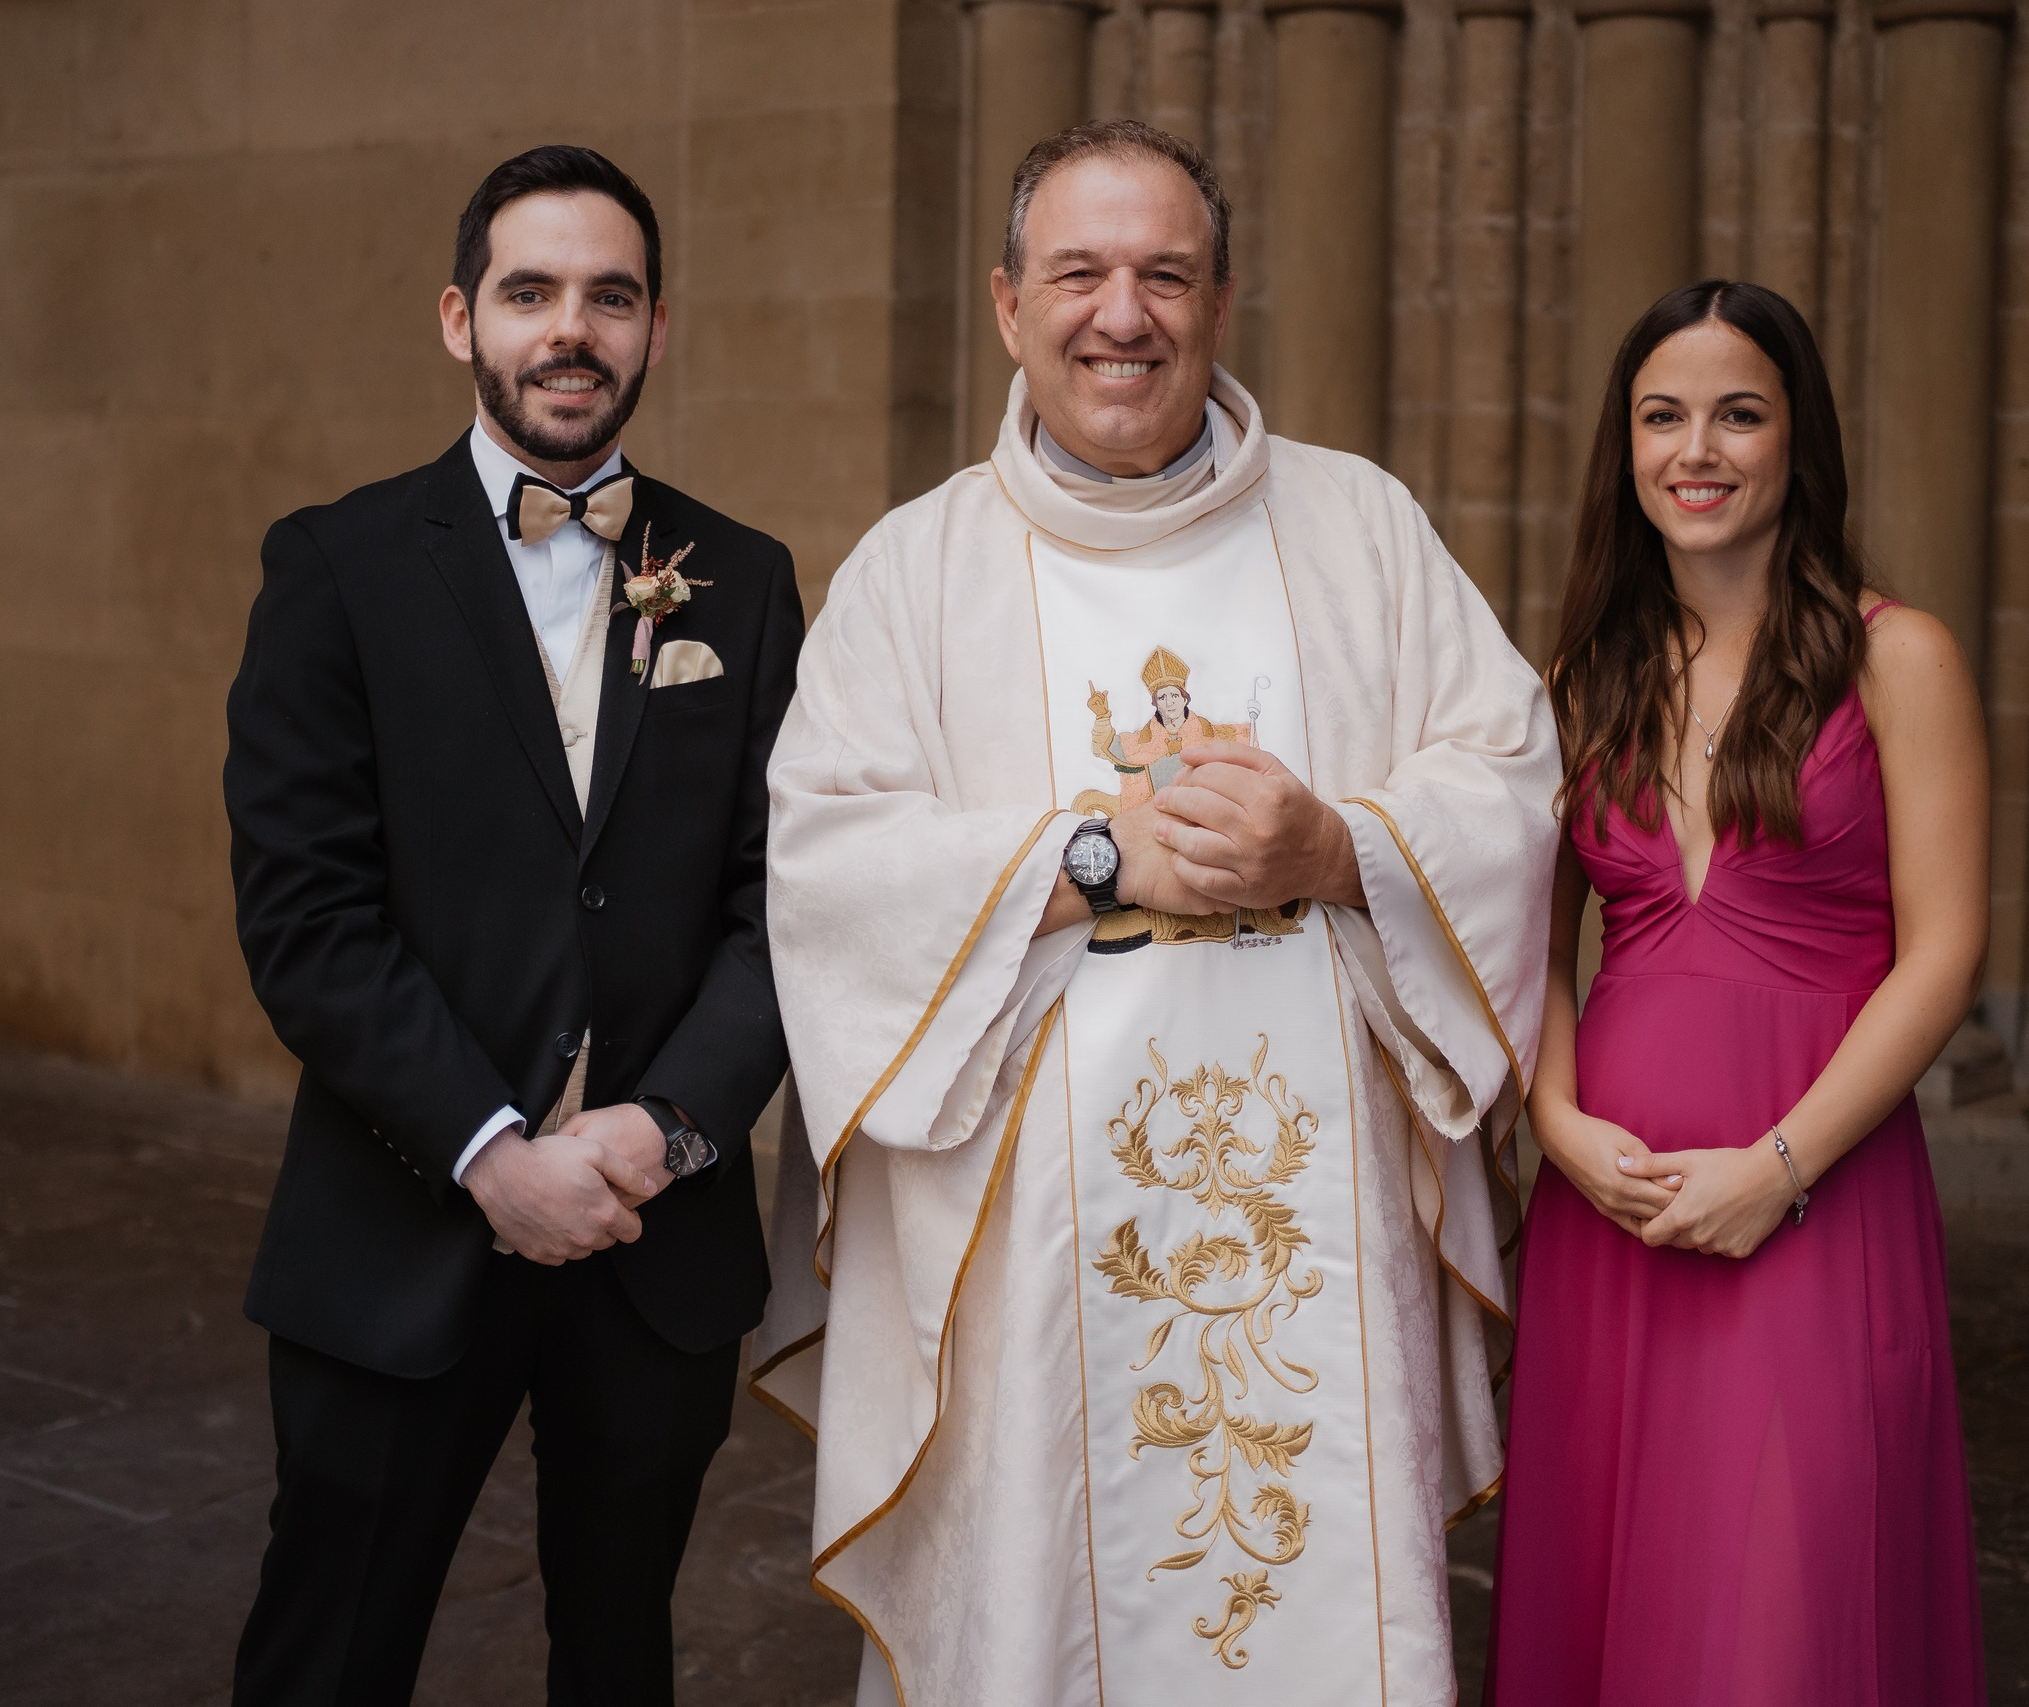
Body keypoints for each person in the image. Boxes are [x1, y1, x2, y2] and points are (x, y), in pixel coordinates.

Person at [755, 120, 1561, 1706]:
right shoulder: (915, 572)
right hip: (1030, 1258)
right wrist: (1096, 859)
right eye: (1079, 272)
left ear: (1221, 296)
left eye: (1164, 274)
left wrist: (1335, 847)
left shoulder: (1362, 529)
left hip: (1320, 1240)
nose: (1121, 314)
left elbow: (1511, 784)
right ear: (1007, 305)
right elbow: (829, 862)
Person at [221, 144, 800, 1705]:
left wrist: (662, 1133)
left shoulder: (740, 585)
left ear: (657, 328)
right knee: (329, 1652)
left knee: (620, 1656)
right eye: (530, 292)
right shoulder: (335, 567)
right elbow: (307, 918)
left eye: (609, 297)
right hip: (406, 1214)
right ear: (458, 317)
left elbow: (781, 905)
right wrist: (492, 1151)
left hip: (648, 1235)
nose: (571, 330)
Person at [1488, 280, 1990, 1704]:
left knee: (1793, 1596)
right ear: (1626, 449)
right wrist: (1558, 1123)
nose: (1695, 448)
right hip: (1613, 1211)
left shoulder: (1901, 657)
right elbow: (1527, 948)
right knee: (1622, 1596)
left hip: (1817, 1200)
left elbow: (1944, 953)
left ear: (1796, 442)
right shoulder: (1579, 685)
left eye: (1737, 413)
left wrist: (1780, 1168)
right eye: (1662, 416)